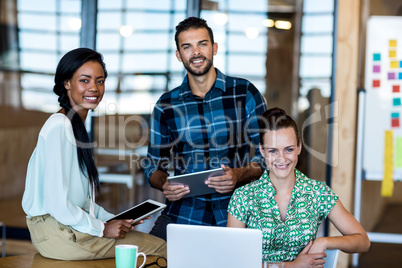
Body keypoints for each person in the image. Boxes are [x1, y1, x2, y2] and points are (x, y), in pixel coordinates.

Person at [22, 48, 166, 260]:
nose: (94, 88)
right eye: (85, 80)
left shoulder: (74, 125)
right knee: (161, 248)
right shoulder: (60, 126)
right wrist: (102, 229)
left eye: (100, 81)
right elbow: (56, 203)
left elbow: (80, 202)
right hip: (57, 234)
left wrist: (115, 219)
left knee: (139, 241)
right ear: (67, 83)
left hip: (65, 230)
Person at [145, 17, 267, 241]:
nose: (196, 52)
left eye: (202, 44)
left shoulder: (245, 92)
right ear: (178, 55)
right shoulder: (166, 105)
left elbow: (268, 156)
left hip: (238, 212)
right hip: (184, 212)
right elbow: (153, 167)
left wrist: (239, 174)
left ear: (215, 48)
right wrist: (165, 183)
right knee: (146, 259)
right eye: (187, 47)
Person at [227, 107, 370, 267]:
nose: (282, 159)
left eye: (289, 149)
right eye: (273, 151)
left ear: (299, 147)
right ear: (262, 151)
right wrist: (290, 266)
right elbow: (233, 260)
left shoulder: (317, 192)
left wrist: (324, 242)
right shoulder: (243, 197)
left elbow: (363, 241)